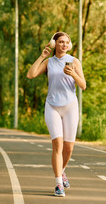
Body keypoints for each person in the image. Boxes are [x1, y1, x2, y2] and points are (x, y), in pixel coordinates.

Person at [27, 32, 86, 197]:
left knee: (69, 149)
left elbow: (83, 85)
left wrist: (73, 74)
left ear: (70, 45)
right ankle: (58, 183)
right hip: (52, 106)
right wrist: (41, 56)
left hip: (70, 107)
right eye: (60, 42)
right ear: (54, 44)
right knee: (58, 146)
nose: (64, 45)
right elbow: (30, 75)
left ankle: (62, 171)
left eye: (67, 42)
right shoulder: (49, 62)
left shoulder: (74, 61)